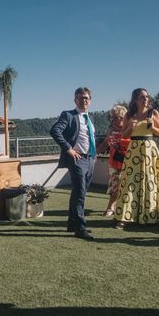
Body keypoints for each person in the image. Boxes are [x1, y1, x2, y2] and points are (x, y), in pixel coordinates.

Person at [114, 88, 159, 228]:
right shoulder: (129, 115)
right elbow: (124, 136)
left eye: (146, 96)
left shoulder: (153, 112)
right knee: (129, 182)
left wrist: (151, 126)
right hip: (134, 150)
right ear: (135, 100)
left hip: (150, 150)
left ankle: (149, 216)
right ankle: (124, 218)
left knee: (150, 181)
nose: (145, 99)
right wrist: (130, 127)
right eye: (141, 97)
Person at [50, 87, 97, 240]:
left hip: (90, 159)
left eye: (87, 98)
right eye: (81, 98)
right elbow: (55, 131)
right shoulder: (68, 115)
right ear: (75, 100)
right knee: (80, 193)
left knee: (79, 192)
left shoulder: (90, 118)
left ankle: (71, 223)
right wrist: (69, 149)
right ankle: (80, 228)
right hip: (77, 159)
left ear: (90, 101)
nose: (84, 100)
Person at [96, 105, 131, 217]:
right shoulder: (111, 130)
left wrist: (120, 144)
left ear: (123, 117)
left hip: (127, 161)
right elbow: (106, 143)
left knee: (125, 186)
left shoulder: (129, 129)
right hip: (114, 162)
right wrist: (94, 153)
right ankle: (111, 207)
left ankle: (117, 207)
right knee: (115, 184)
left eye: (116, 117)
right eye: (112, 118)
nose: (113, 120)